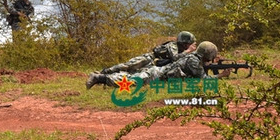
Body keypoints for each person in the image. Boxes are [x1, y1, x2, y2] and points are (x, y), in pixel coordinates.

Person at [86, 41, 219, 89]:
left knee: (130, 76)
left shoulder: (193, 58)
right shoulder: (194, 61)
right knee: (130, 82)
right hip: (156, 75)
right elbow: (203, 79)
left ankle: (101, 76)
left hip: (158, 73)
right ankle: (99, 78)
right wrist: (222, 75)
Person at [97, 31, 196, 75]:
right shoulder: (173, 46)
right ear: (184, 43)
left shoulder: (182, 50)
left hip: (153, 65)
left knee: (133, 73)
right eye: (189, 44)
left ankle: (105, 78)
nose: (190, 46)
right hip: (148, 58)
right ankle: (105, 72)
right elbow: (174, 58)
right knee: (128, 66)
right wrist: (188, 51)